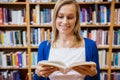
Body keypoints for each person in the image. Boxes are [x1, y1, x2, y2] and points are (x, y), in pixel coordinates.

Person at [34, 0, 100, 80]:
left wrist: (93, 74)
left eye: (70, 17)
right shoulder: (44, 47)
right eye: (60, 16)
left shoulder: (90, 46)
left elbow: (96, 78)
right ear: (55, 18)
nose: (65, 22)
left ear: (76, 19)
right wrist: (38, 73)